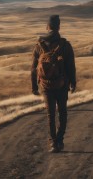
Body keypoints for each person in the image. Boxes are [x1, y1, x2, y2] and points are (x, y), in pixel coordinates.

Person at [31, 14, 76, 153]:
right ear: (59, 27)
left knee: (50, 115)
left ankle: (52, 143)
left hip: (45, 86)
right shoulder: (65, 45)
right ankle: (60, 141)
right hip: (62, 85)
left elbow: (33, 68)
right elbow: (71, 66)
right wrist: (73, 83)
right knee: (62, 113)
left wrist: (34, 86)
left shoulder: (39, 45)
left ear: (47, 27)